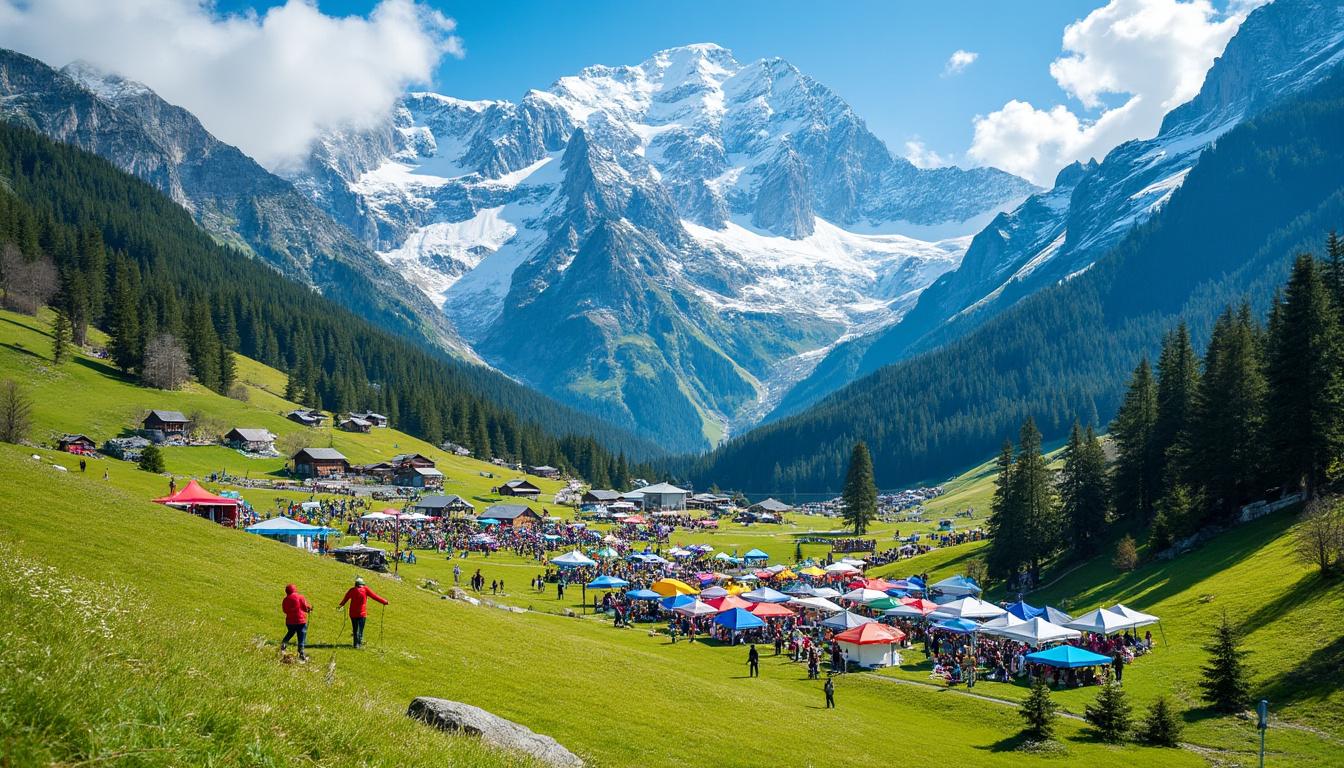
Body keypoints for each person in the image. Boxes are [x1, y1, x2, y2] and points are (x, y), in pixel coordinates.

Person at [338, 576, 388, 648]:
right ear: (363, 584)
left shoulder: (352, 590)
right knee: (360, 629)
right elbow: (375, 596)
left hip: (352, 613)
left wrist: (341, 605)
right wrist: (384, 602)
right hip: (362, 613)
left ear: (356, 584)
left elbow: (345, 598)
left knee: (355, 629)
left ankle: (355, 644)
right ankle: (359, 644)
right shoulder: (365, 589)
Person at [280, 583, 312, 661]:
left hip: (290, 622)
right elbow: (305, 607)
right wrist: (309, 609)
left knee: (290, 632)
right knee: (301, 635)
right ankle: (301, 652)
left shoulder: (285, 599)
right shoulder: (300, 597)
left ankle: (284, 644)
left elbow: (285, 610)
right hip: (300, 621)